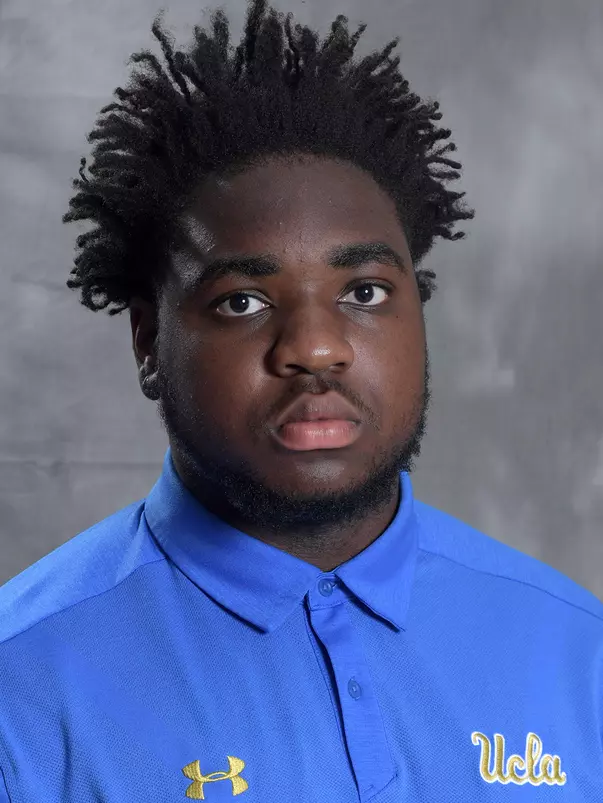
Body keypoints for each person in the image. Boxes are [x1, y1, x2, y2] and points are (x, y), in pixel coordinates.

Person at [1, 0, 601, 800]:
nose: (314, 348)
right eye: (242, 301)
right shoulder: (22, 688)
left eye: (363, 290)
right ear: (147, 342)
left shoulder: (576, 651)